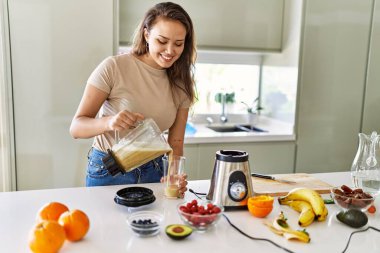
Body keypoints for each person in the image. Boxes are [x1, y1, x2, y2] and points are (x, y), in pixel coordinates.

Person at [70, 2, 196, 197]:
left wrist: (173, 175)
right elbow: (76, 128)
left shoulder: (181, 83)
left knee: (153, 226)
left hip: (154, 170)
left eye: (178, 44)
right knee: (106, 227)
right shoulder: (114, 67)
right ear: (147, 35)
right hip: (109, 169)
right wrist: (109, 122)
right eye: (162, 41)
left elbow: (176, 141)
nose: (170, 50)